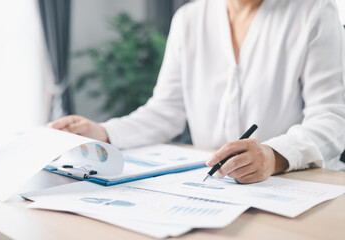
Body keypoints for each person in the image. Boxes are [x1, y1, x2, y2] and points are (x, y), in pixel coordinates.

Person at [50, 0, 345, 183]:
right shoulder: (189, 18)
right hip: (216, 186)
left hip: (296, 183)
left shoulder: (314, 9)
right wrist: (103, 132)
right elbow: (165, 112)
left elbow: (331, 118)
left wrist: (273, 155)